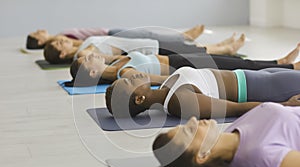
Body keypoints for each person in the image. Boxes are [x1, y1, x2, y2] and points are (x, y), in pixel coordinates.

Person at [105, 57, 300, 119]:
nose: (133, 77)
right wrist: (284, 105)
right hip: (265, 89)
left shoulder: (165, 87)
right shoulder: (178, 102)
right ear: (139, 99)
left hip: (257, 76)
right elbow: (232, 109)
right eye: (130, 83)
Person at [150, 102, 300, 167]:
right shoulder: (262, 155)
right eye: (190, 131)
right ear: (202, 155)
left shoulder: (232, 131)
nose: (193, 120)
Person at [68, 43, 300, 87]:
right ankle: (290, 67)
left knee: (239, 62)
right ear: (92, 71)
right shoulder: (124, 72)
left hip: (181, 59)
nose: (91, 55)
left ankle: (282, 62)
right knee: (243, 67)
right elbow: (160, 80)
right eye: (87, 59)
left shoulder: (118, 62)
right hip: (187, 67)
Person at [43, 28, 246, 64]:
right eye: (60, 43)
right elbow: (95, 60)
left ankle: (221, 45)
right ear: (61, 54)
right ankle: (226, 49)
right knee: (191, 51)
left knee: (189, 48)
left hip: (146, 45)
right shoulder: (83, 52)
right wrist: (128, 59)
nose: (63, 39)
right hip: (147, 51)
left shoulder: (82, 45)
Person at [26, 25, 204, 49]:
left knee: (148, 35)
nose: (40, 29)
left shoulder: (59, 37)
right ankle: (184, 37)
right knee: (149, 35)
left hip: (108, 33)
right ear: (40, 41)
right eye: (36, 34)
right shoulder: (60, 40)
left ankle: (184, 37)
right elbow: (83, 42)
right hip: (109, 36)